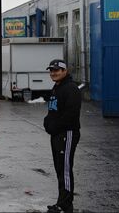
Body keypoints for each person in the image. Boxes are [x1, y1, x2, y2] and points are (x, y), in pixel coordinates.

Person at [43, 59, 82, 213]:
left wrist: (54, 127)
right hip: (57, 134)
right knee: (60, 168)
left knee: (65, 169)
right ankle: (62, 202)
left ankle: (65, 204)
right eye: (51, 70)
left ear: (65, 71)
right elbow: (52, 111)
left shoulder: (71, 89)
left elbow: (70, 115)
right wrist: (47, 123)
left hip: (67, 133)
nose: (53, 73)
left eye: (57, 70)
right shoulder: (57, 87)